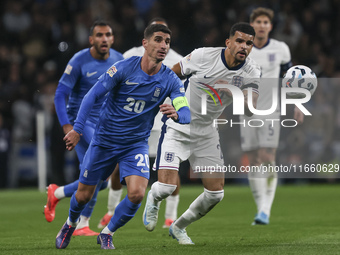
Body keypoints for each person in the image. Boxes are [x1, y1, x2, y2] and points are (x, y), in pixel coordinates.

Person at [55, 23, 190, 250]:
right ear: (144, 43)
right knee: (83, 196)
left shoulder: (171, 79)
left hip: (135, 145)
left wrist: (178, 114)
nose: (163, 45)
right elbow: (91, 96)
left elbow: (184, 110)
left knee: (137, 194)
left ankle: (107, 233)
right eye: (158, 40)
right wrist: (77, 129)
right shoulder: (122, 68)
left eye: (167, 41)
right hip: (104, 141)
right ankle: (70, 223)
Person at [142, 22, 261, 244]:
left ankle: (179, 227)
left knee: (216, 194)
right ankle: (154, 197)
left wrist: (236, 95)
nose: (244, 46)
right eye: (240, 41)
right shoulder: (203, 56)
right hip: (178, 126)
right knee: (166, 188)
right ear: (228, 42)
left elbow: (251, 108)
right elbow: (171, 75)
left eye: (249, 43)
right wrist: (170, 103)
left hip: (206, 133)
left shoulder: (252, 70)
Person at [98, 17, 184, 230]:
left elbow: (182, 91)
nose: (161, 42)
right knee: (119, 168)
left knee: (170, 168)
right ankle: (110, 211)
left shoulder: (176, 59)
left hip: (163, 122)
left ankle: (170, 216)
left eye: (165, 35)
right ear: (147, 37)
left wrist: (180, 112)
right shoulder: (130, 55)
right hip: (132, 125)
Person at [43, 20, 124, 236]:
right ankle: (81, 224)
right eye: (99, 35)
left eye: (108, 34)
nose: (104, 39)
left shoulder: (119, 59)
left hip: (105, 124)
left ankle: (57, 193)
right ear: (91, 39)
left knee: (100, 181)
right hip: (82, 122)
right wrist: (67, 126)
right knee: (97, 174)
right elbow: (60, 94)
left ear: (113, 38)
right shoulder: (79, 61)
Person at [240, 7, 304, 225]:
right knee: (253, 160)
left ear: (271, 26)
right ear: (252, 24)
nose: (262, 25)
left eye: (266, 22)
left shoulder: (281, 49)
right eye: (258, 21)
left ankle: (265, 210)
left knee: (268, 157)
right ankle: (260, 209)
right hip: (246, 111)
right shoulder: (242, 48)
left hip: (271, 110)